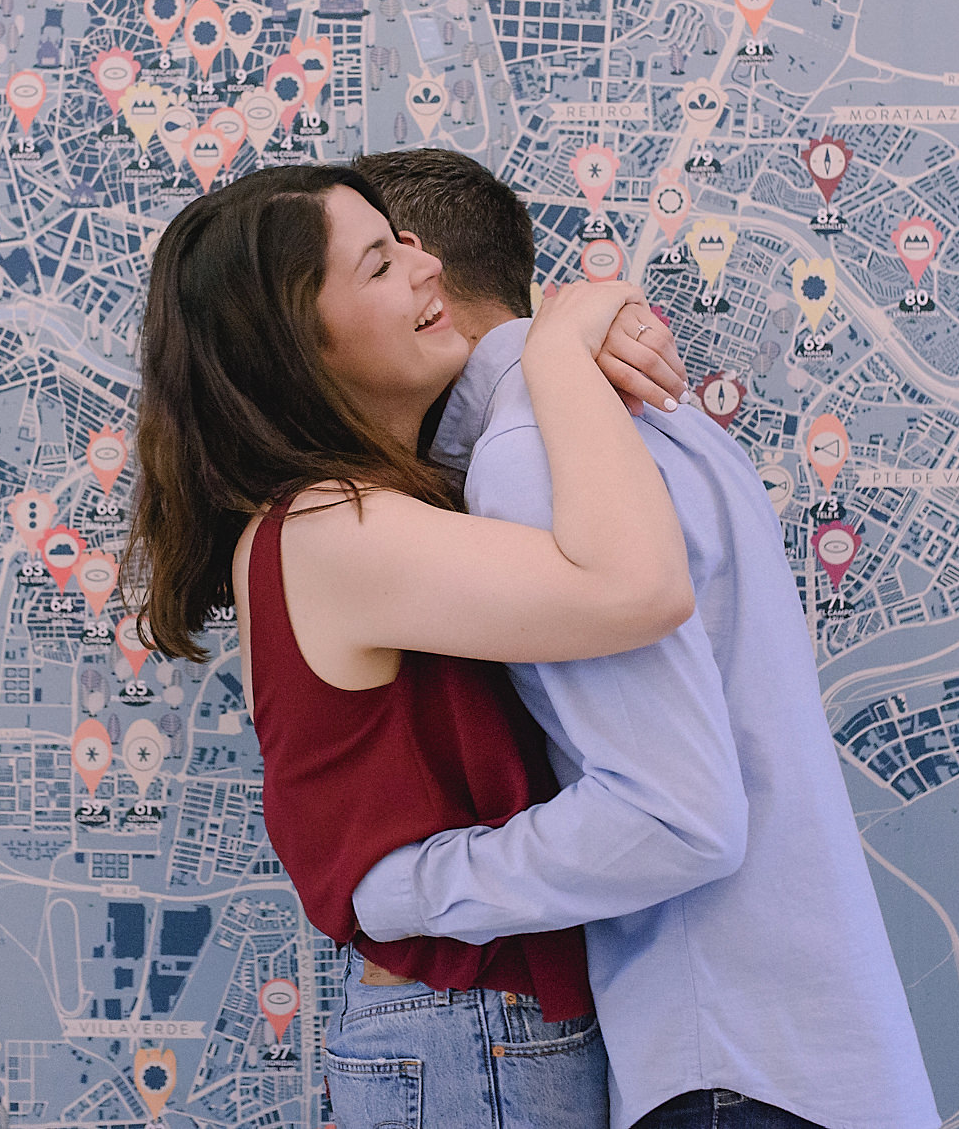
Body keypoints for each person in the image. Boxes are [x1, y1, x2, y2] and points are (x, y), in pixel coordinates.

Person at [349, 149, 939, 1129]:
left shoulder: (529, 455)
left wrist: (405, 889)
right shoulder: (635, 416)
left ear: (415, 272)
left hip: (724, 1063)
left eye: (337, 277)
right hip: (788, 1049)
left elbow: (672, 817)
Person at [128, 164, 716, 1129]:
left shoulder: (359, 516)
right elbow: (640, 587)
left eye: (403, 240)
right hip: (470, 1033)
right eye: (378, 263)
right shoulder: (328, 529)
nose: (426, 264)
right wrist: (561, 343)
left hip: (476, 1032)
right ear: (296, 343)